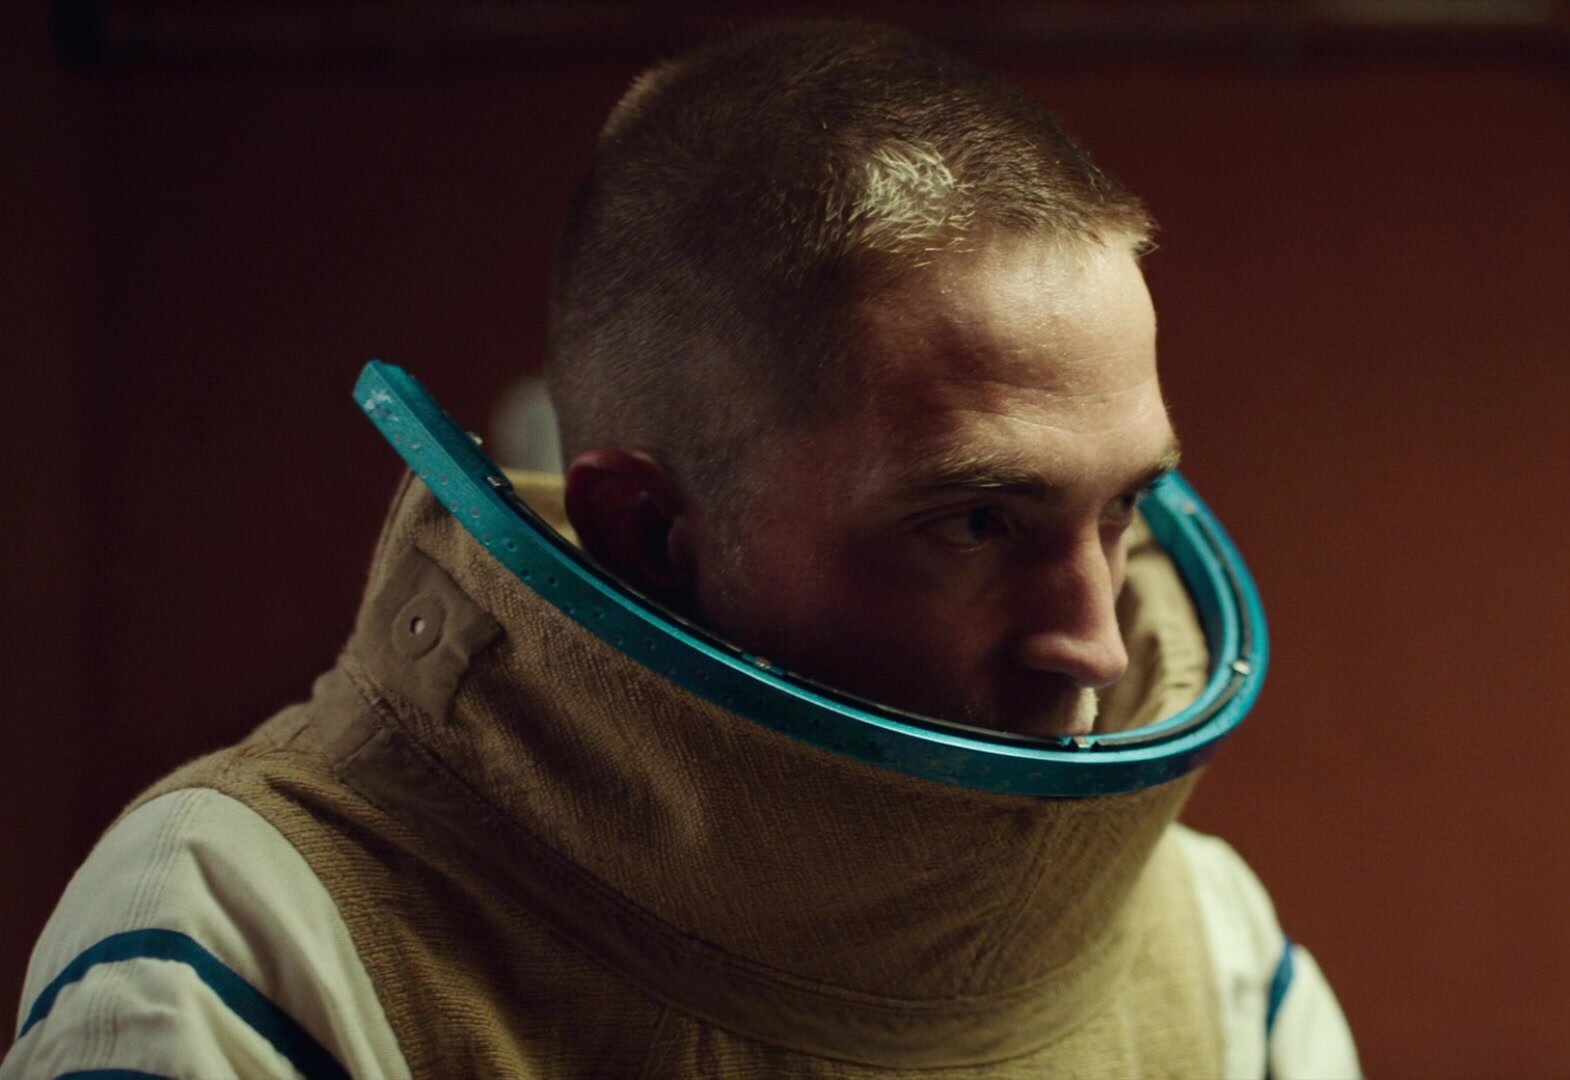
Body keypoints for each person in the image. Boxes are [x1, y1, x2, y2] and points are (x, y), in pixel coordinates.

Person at [5, 21, 1358, 1078]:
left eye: (1120, 509)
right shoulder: (251, 934)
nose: (1096, 644)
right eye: (976, 522)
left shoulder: (1217, 954)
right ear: (648, 533)